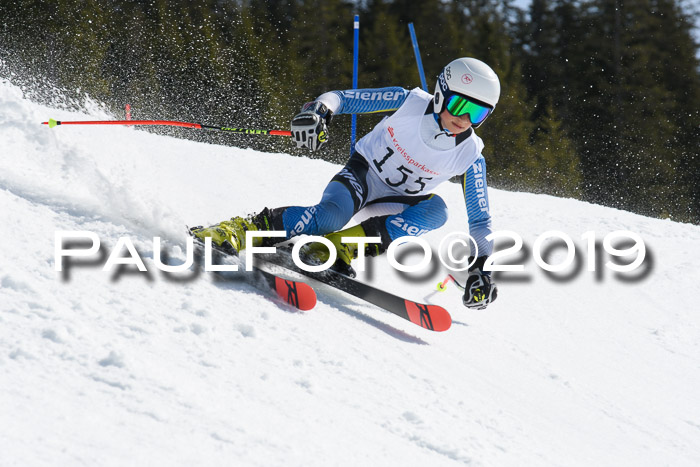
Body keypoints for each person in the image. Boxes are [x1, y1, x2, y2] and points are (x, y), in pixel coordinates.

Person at [192, 57, 499, 309]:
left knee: (438, 211)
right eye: (461, 105)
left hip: (394, 201)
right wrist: (319, 112)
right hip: (361, 177)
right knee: (329, 217)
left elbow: (480, 219)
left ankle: (338, 250)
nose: (465, 118)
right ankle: (238, 230)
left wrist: (482, 268)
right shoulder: (409, 102)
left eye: (478, 112)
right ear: (442, 92)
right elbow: (343, 98)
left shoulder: (471, 154)